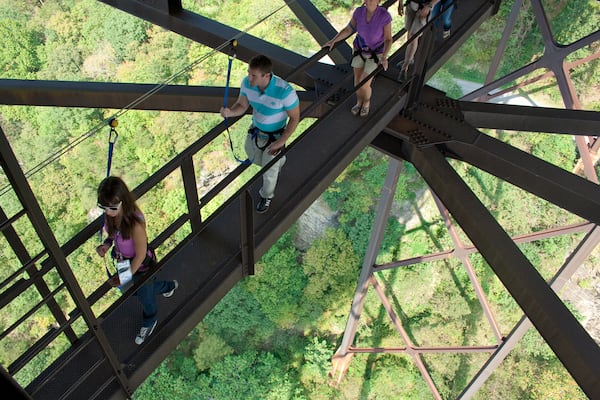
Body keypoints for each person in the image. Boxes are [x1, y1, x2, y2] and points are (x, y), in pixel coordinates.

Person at [95, 176, 178, 345]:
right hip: (124, 263)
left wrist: (124, 276)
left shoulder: (135, 225)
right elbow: (113, 234)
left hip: (141, 266)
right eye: (103, 206)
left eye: (111, 207)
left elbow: (140, 255)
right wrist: (106, 244)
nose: (107, 211)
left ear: (122, 202)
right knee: (129, 290)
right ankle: (169, 286)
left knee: (145, 297)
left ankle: (150, 320)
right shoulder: (111, 215)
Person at [220, 54, 300, 214]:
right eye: (249, 73)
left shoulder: (285, 92)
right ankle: (278, 161)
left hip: (276, 136)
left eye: (253, 75)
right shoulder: (247, 84)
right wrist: (230, 112)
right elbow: (242, 105)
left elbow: (294, 117)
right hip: (257, 130)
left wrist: (281, 141)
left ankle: (266, 196)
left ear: (266, 75)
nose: (249, 77)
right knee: (252, 155)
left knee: (269, 169)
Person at [324, 0, 392, 117]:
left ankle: (366, 102)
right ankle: (359, 102)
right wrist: (333, 41)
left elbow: (388, 39)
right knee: (357, 82)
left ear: (378, 1)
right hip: (360, 49)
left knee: (364, 83)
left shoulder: (384, 16)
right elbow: (349, 29)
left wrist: (384, 57)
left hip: (376, 53)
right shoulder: (359, 12)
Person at [398, 0, 440, 80]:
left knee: (413, 36)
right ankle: (409, 59)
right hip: (411, 5)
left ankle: (404, 68)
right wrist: (400, 3)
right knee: (410, 33)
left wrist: (429, 6)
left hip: (424, 7)